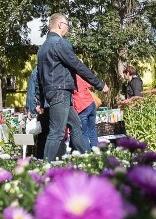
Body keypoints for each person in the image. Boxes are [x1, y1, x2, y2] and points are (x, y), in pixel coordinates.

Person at [34, 13, 109, 161]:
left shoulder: (42, 49)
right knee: (57, 132)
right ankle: (45, 167)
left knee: (76, 125)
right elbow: (77, 65)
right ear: (60, 25)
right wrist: (99, 84)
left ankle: (87, 159)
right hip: (61, 92)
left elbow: (39, 76)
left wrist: (40, 100)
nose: (68, 28)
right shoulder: (60, 43)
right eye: (67, 25)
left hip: (54, 93)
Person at [25, 66, 49, 159]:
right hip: (44, 107)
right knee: (46, 134)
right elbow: (32, 90)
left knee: (43, 134)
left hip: (42, 106)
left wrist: (31, 108)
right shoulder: (39, 70)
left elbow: (31, 90)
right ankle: (43, 158)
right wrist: (31, 108)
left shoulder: (37, 69)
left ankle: (41, 158)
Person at [73, 75, 98, 150]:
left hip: (81, 107)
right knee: (92, 130)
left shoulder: (67, 78)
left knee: (84, 134)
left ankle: (88, 157)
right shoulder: (79, 75)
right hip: (90, 103)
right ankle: (98, 154)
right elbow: (89, 85)